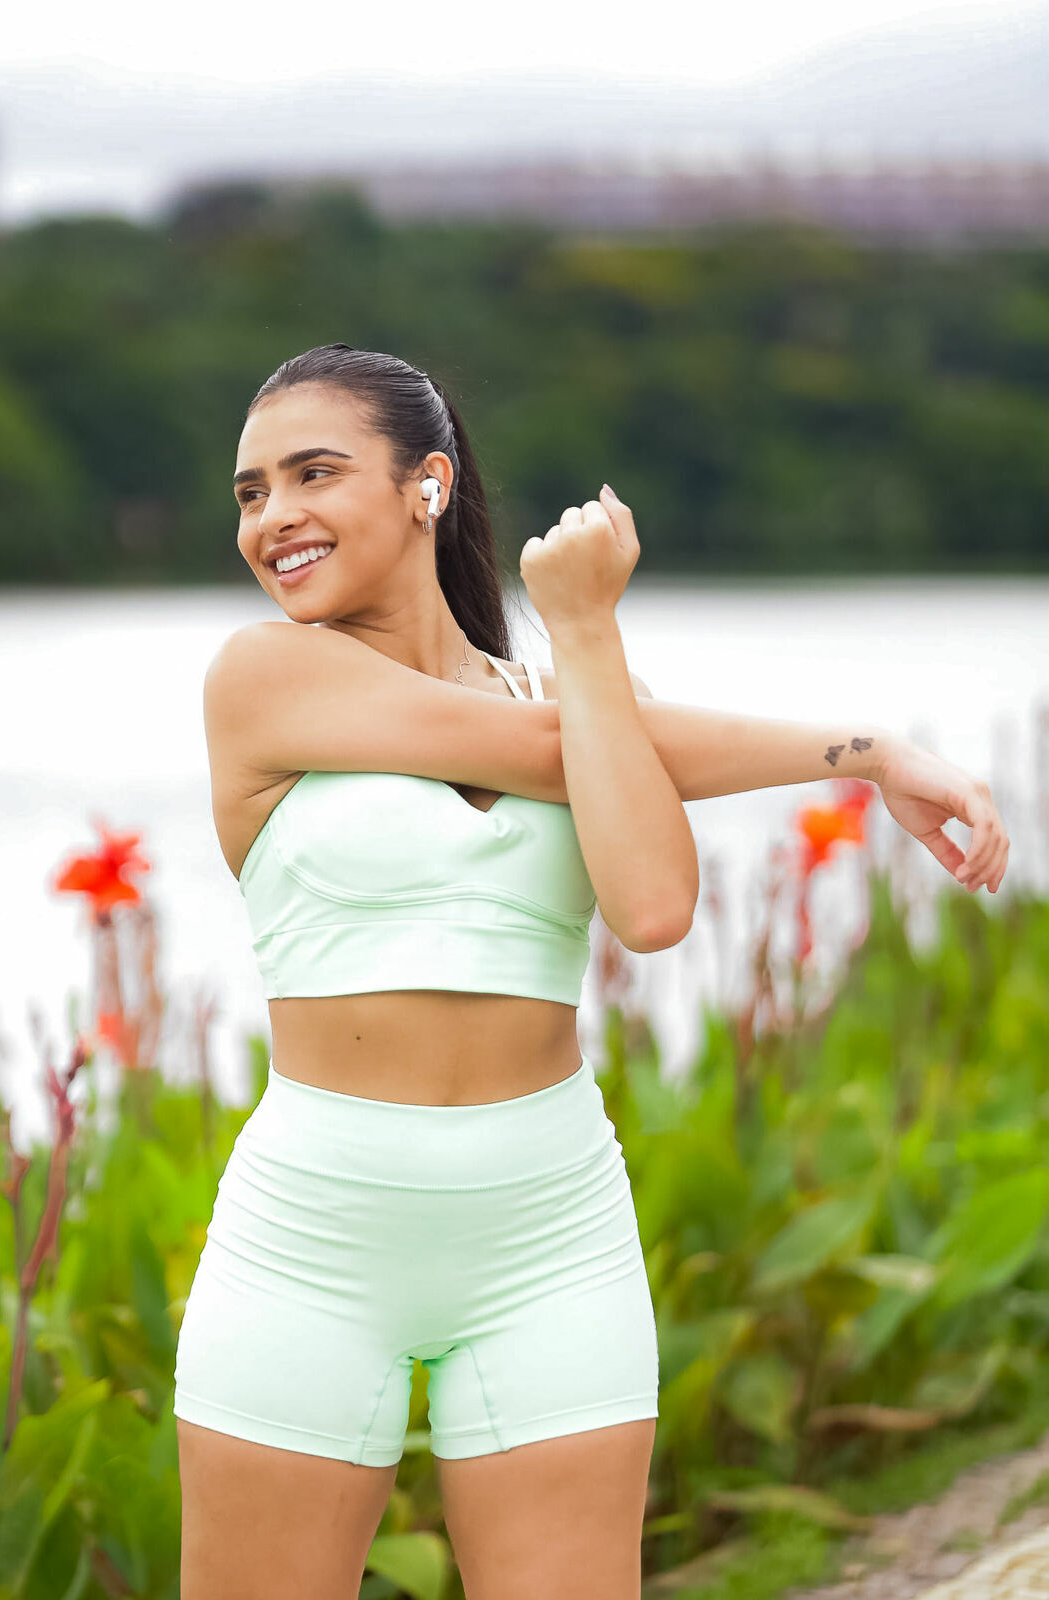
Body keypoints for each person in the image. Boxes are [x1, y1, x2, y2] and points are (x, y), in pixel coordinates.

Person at [172, 343, 1009, 1600]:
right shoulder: (262, 677)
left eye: (312, 472)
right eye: (250, 491)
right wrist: (837, 743)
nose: (272, 516)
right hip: (315, 1235)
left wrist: (867, 747)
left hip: (548, 1230)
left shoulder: (585, 698)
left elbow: (657, 906)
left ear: (427, 484)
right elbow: (551, 741)